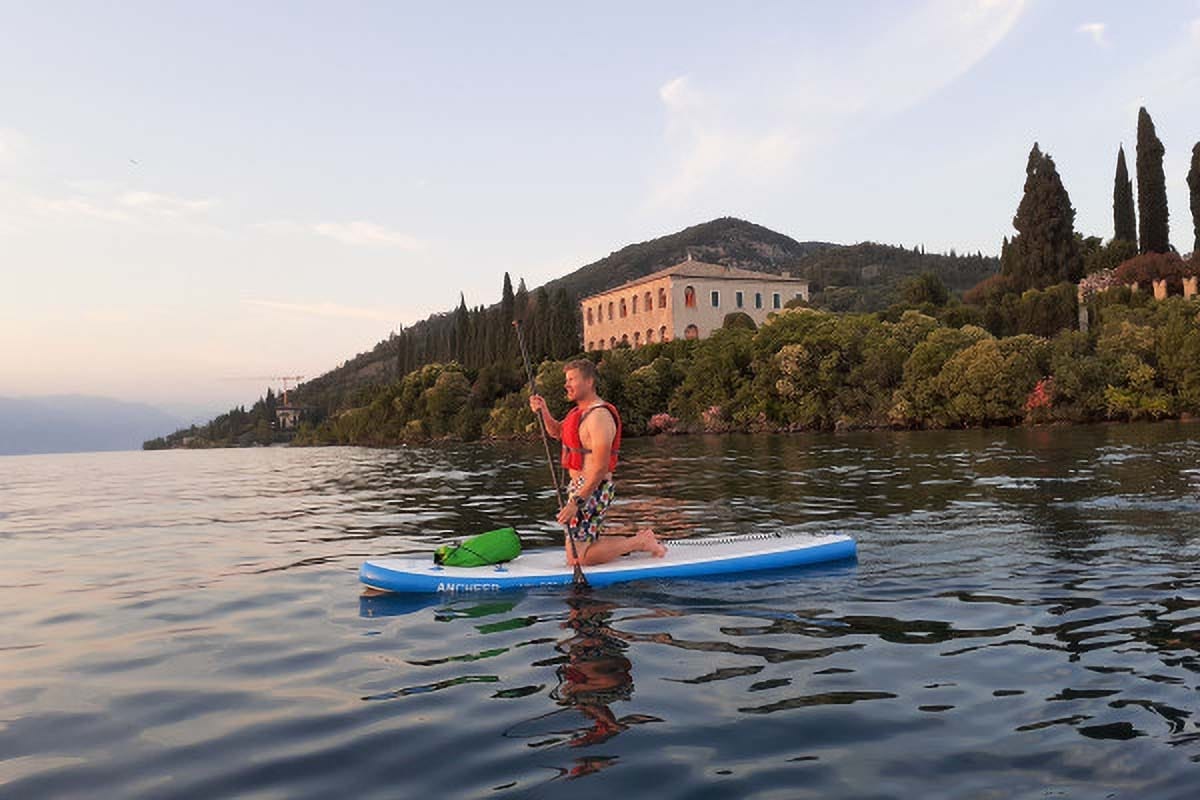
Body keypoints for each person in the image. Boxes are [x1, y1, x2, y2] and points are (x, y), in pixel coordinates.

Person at [529, 360, 666, 566]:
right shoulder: (578, 413)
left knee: (577, 558)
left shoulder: (599, 416)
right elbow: (558, 432)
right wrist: (544, 410)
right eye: (566, 380)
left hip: (592, 489)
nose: (566, 384)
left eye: (572, 379)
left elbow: (601, 467)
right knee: (580, 547)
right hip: (581, 488)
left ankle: (640, 542)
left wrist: (576, 502)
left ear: (590, 381)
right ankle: (631, 542)